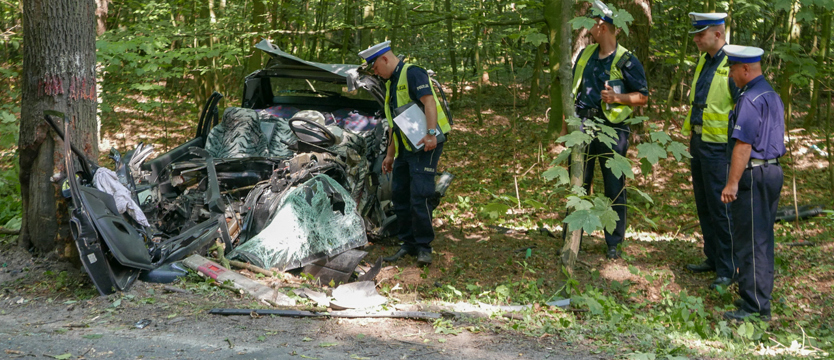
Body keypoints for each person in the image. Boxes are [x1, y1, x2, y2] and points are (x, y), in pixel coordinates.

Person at [560, 1, 648, 259]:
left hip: (613, 130)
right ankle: (572, 238)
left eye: (593, 23)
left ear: (603, 26)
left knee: (613, 186)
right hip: (582, 127)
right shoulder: (585, 54)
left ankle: (614, 242)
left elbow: (642, 97)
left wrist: (617, 99)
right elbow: (572, 92)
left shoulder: (627, 60)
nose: (588, 28)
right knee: (578, 184)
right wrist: (566, 129)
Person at [358, 41, 452, 266]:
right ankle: (407, 243)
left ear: (385, 59)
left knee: (420, 194)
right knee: (400, 195)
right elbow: (393, 125)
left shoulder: (413, 73)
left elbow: (429, 102)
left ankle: (423, 247)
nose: (375, 72)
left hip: (426, 144)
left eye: (375, 67)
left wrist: (430, 134)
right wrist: (390, 155)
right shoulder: (391, 84)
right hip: (406, 148)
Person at [720, 45, 786, 321]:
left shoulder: (749, 99)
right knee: (763, 238)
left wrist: (732, 183)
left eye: (733, 70)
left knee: (751, 241)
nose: (731, 76)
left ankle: (755, 307)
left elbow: (744, 145)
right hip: (772, 173)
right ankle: (756, 295)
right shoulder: (771, 94)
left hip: (753, 175)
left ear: (746, 69)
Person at [682, 13, 740, 290]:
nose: (695, 39)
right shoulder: (704, 61)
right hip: (699, 142)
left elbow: (743, 110)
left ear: (718, 34)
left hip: (720, 149)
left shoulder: (734, 64)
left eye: (700, 34)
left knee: (721, 209)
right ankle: (713, 258)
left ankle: (729, 269)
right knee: (704, 204)